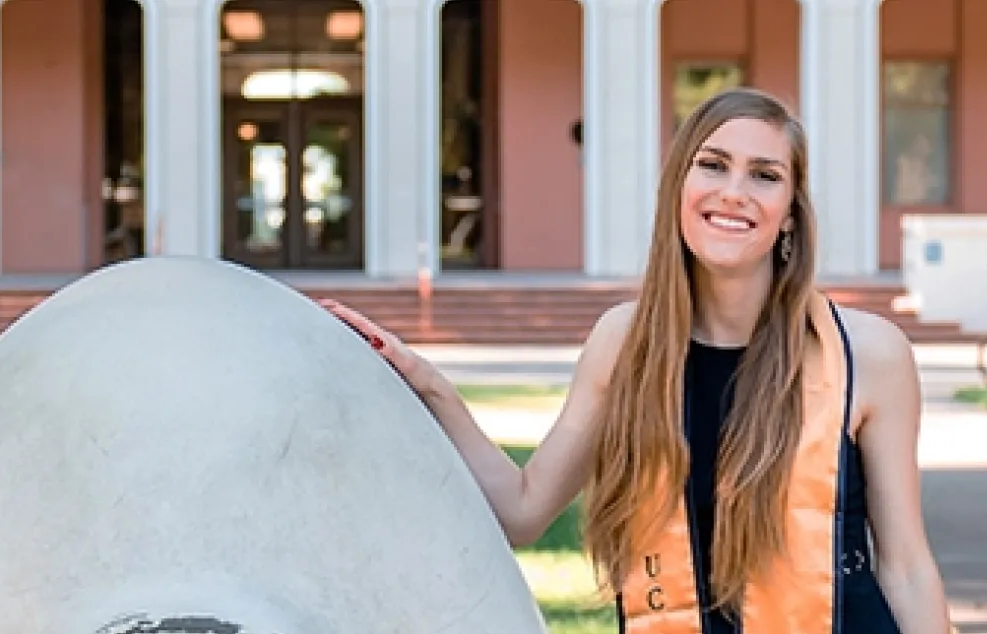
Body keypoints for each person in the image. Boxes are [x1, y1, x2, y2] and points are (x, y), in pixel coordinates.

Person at [320, 87, 953, 634]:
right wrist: (430, 387)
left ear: (790, 213)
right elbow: (522, 509)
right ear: (680, 186)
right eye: (713, 165)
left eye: (764, 175)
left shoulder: (864, 354)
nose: (734, 193)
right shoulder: (626, 344)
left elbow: (906, 566)